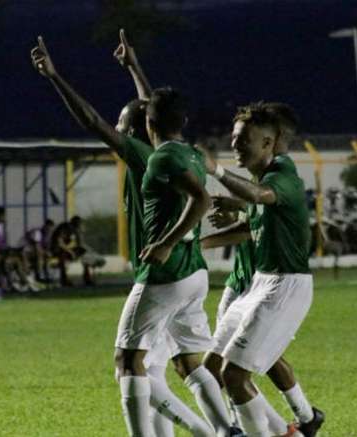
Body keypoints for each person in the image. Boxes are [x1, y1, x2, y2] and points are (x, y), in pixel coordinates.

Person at [32, 33, 221, 436]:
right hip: (191, 273)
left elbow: (93, 121)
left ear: (138, 130)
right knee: (169, 366)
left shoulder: (142, 154)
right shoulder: (174, 150)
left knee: (131, 366)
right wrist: (134, 68)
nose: (116, 130)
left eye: (123, 125)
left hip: (163, 274)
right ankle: (219, 429)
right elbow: (155, 112)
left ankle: (208, 431)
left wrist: (54, 77)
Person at [200, 102, 324, 436]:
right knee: (212, 370)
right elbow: (254, 224)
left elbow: (263, 196)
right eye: (234, 138)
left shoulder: (282, 175)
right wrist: (195, 246)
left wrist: (217, 171)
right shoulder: (267, 176)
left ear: (270, 142)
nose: (235, 145)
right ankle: (296, 428)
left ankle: (292, 423)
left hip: (284, 286)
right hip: (258, 283)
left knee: (235, 376)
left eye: (243, 140)